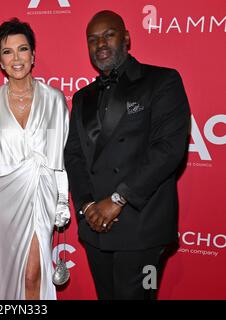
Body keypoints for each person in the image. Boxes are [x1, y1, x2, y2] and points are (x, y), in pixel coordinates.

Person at [64, 10, 191, 300]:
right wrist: (87, 207)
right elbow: (73, 156)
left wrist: (119, 199)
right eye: (93, 39)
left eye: (108, 34)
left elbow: (168, 150)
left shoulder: (162, 81)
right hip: (96, 227)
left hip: (142, 226)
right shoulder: (83, 97)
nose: (101, 44)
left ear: (126, 38)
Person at [0, 18, 70, 300]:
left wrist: (62, 199)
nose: (16, 58)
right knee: (5, 276)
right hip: (1, 198)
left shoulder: (53, 99)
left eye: (22, 49)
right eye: (8, 51)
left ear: (33, 55)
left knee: (32, 274)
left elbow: (58, 155)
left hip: (40, 191)